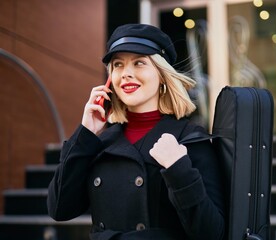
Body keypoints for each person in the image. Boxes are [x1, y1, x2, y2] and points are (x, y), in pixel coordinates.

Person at [47, 23, 225, 240]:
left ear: (162, 75)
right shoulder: (100, 142)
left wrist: (179, 169)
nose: (126, 74)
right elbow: (59, 209)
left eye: (139, 63)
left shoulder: (188, 140)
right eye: (118, 65)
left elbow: (213, 233)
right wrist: (85, 134)